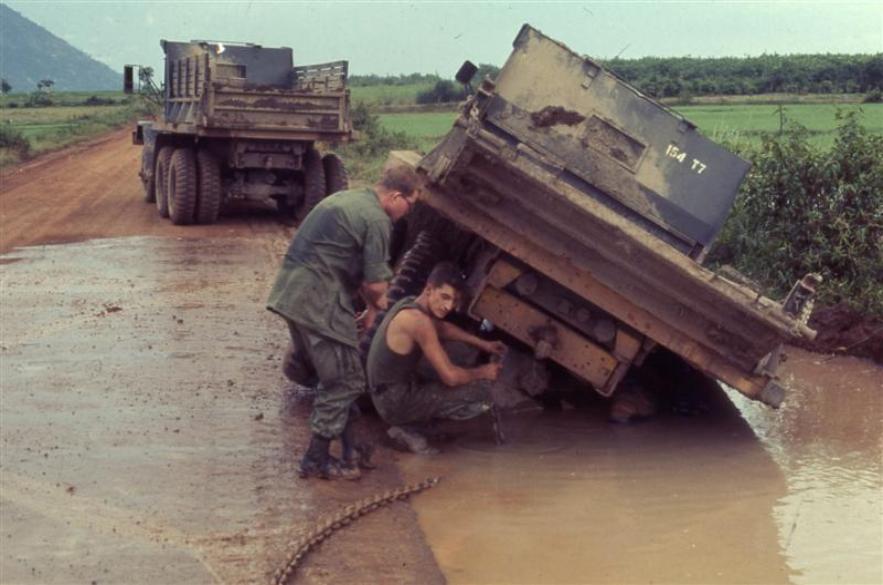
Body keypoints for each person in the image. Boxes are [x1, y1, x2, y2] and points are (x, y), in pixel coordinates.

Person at [267, 164, 420, 480]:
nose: (409, 211)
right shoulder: (378, 220)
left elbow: (358, 273)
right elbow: (377, 285)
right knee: (345, 381)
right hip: (319, 302)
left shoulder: (348, 199)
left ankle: (355, 449)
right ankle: (316, 459)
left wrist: (369, 310)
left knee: (337, 373)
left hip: (292, 294)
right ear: (395, 196)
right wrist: (385, 309)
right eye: (411, 203)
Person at [366, 261, 507, 454]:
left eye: (455, 301)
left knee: (456, 365)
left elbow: (442, 328)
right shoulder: (418, 322)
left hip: (386, 391)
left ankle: (418, 422)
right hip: (393, 403)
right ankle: (409, 428)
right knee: (482, 390)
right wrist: (483, 372)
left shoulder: (409, 304)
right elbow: (450, 377)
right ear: (429, 289)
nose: (449, 306)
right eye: (445, 297)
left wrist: (483, 344)